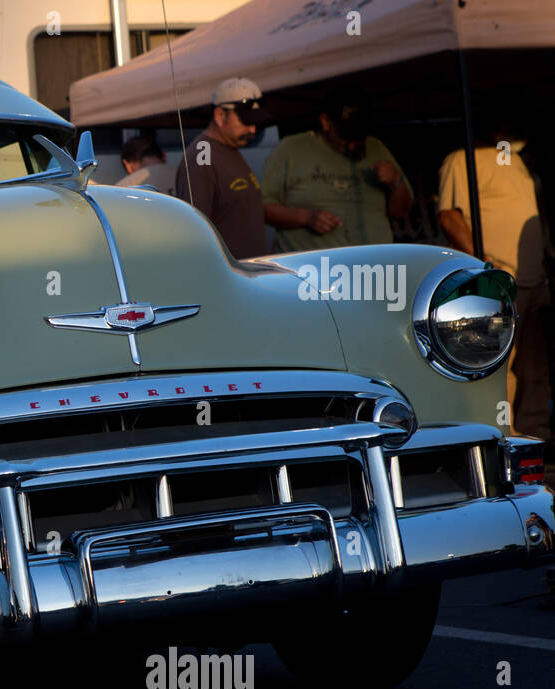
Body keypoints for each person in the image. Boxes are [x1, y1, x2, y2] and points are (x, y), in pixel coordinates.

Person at [438, 120, 551, 441]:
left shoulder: (517, 162)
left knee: (534, 366)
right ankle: (503, 435)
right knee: (498, 365)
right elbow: (449, 215)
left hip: (533, 278)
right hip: (498, 281)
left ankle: (536, 436)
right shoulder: (463, 159)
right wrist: (486, 266)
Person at [261, 87, 413, 252]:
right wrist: (306, 218)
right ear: (325, 121)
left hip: (372, 267)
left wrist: (396, 181)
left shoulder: (376, 148)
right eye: (346, 133)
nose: (355, 142)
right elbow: (262, 209)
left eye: (360, 134)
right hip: (311, 271)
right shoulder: (291, 148)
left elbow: (401, 213)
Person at [174, 76, 268, 258]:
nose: (253, 130)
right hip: (230, 277)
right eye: (245, 121)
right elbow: (194, 228)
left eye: (255, 122)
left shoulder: (231, 148)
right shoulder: (204, 152)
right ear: (219, 115)